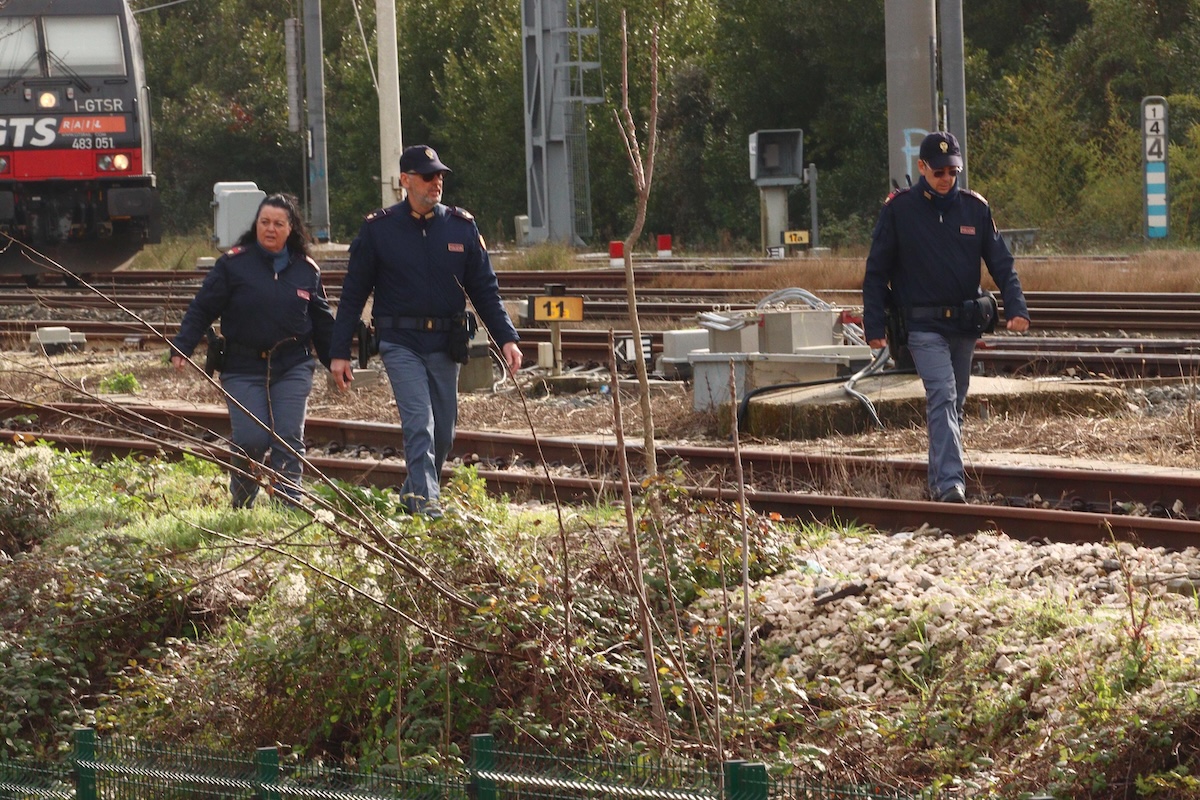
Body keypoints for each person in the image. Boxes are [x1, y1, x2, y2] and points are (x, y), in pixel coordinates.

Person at [329, 145, 522, 516]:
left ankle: (410, 499)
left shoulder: (461, 227)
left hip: (445, 345)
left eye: (441, 177)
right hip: (400, 343)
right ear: (405, 180)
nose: (437, 183)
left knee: (444, 433)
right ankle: (429, 509)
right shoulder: (378, 229)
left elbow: (485, 291)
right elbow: (353, 294)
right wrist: (340, 352)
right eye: (428, 176)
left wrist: (507, 338)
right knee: (420, 424)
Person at [862, 131, 1031, 504]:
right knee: (942, 395)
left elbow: (1002, 264)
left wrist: (1017, 308)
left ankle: (938, 480)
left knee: (954, 403)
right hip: (922, 326)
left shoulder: (975, 209)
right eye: (938, 171)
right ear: (922, 168)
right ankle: (952, 484)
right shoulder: (899, 210)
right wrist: (873, 326)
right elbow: (876, 271)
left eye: (952, 171)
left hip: (964, 325)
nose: (946, 178)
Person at [171, 193, 334, 508]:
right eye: (264, 222)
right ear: (256, 225)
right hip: (242, 366)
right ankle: (242, 501)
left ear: (291, 229)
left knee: (288, 436)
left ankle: (289, 506)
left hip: (293, 365)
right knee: (251, 440)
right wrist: (183, 346)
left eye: (278, 223)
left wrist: (337, 361)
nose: (270, 229)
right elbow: (202, 308)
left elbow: (322, 322)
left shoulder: (306, 270)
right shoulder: (233, 264)